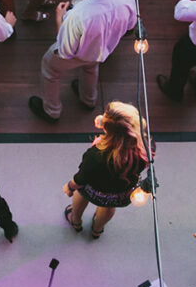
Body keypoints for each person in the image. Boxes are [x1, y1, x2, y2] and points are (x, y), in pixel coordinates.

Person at [28, 0, 136, 122]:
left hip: (79, 53)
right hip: (102, 49)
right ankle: (88, 99)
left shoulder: (77, 16)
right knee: (91, 66)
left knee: (50, 68)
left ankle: (52, 110)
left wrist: (59, 18)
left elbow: (65, 51)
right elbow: (130, 26)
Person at [62, 101, 148, 239]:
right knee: (107, 209)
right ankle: (97, 230)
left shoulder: (96, 156)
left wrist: (70, 187)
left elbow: (81, 178)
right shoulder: (144, 149)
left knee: (81, 196)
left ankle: (75, 221)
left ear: (108, 130)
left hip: (94, 190)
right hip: (119, 193)